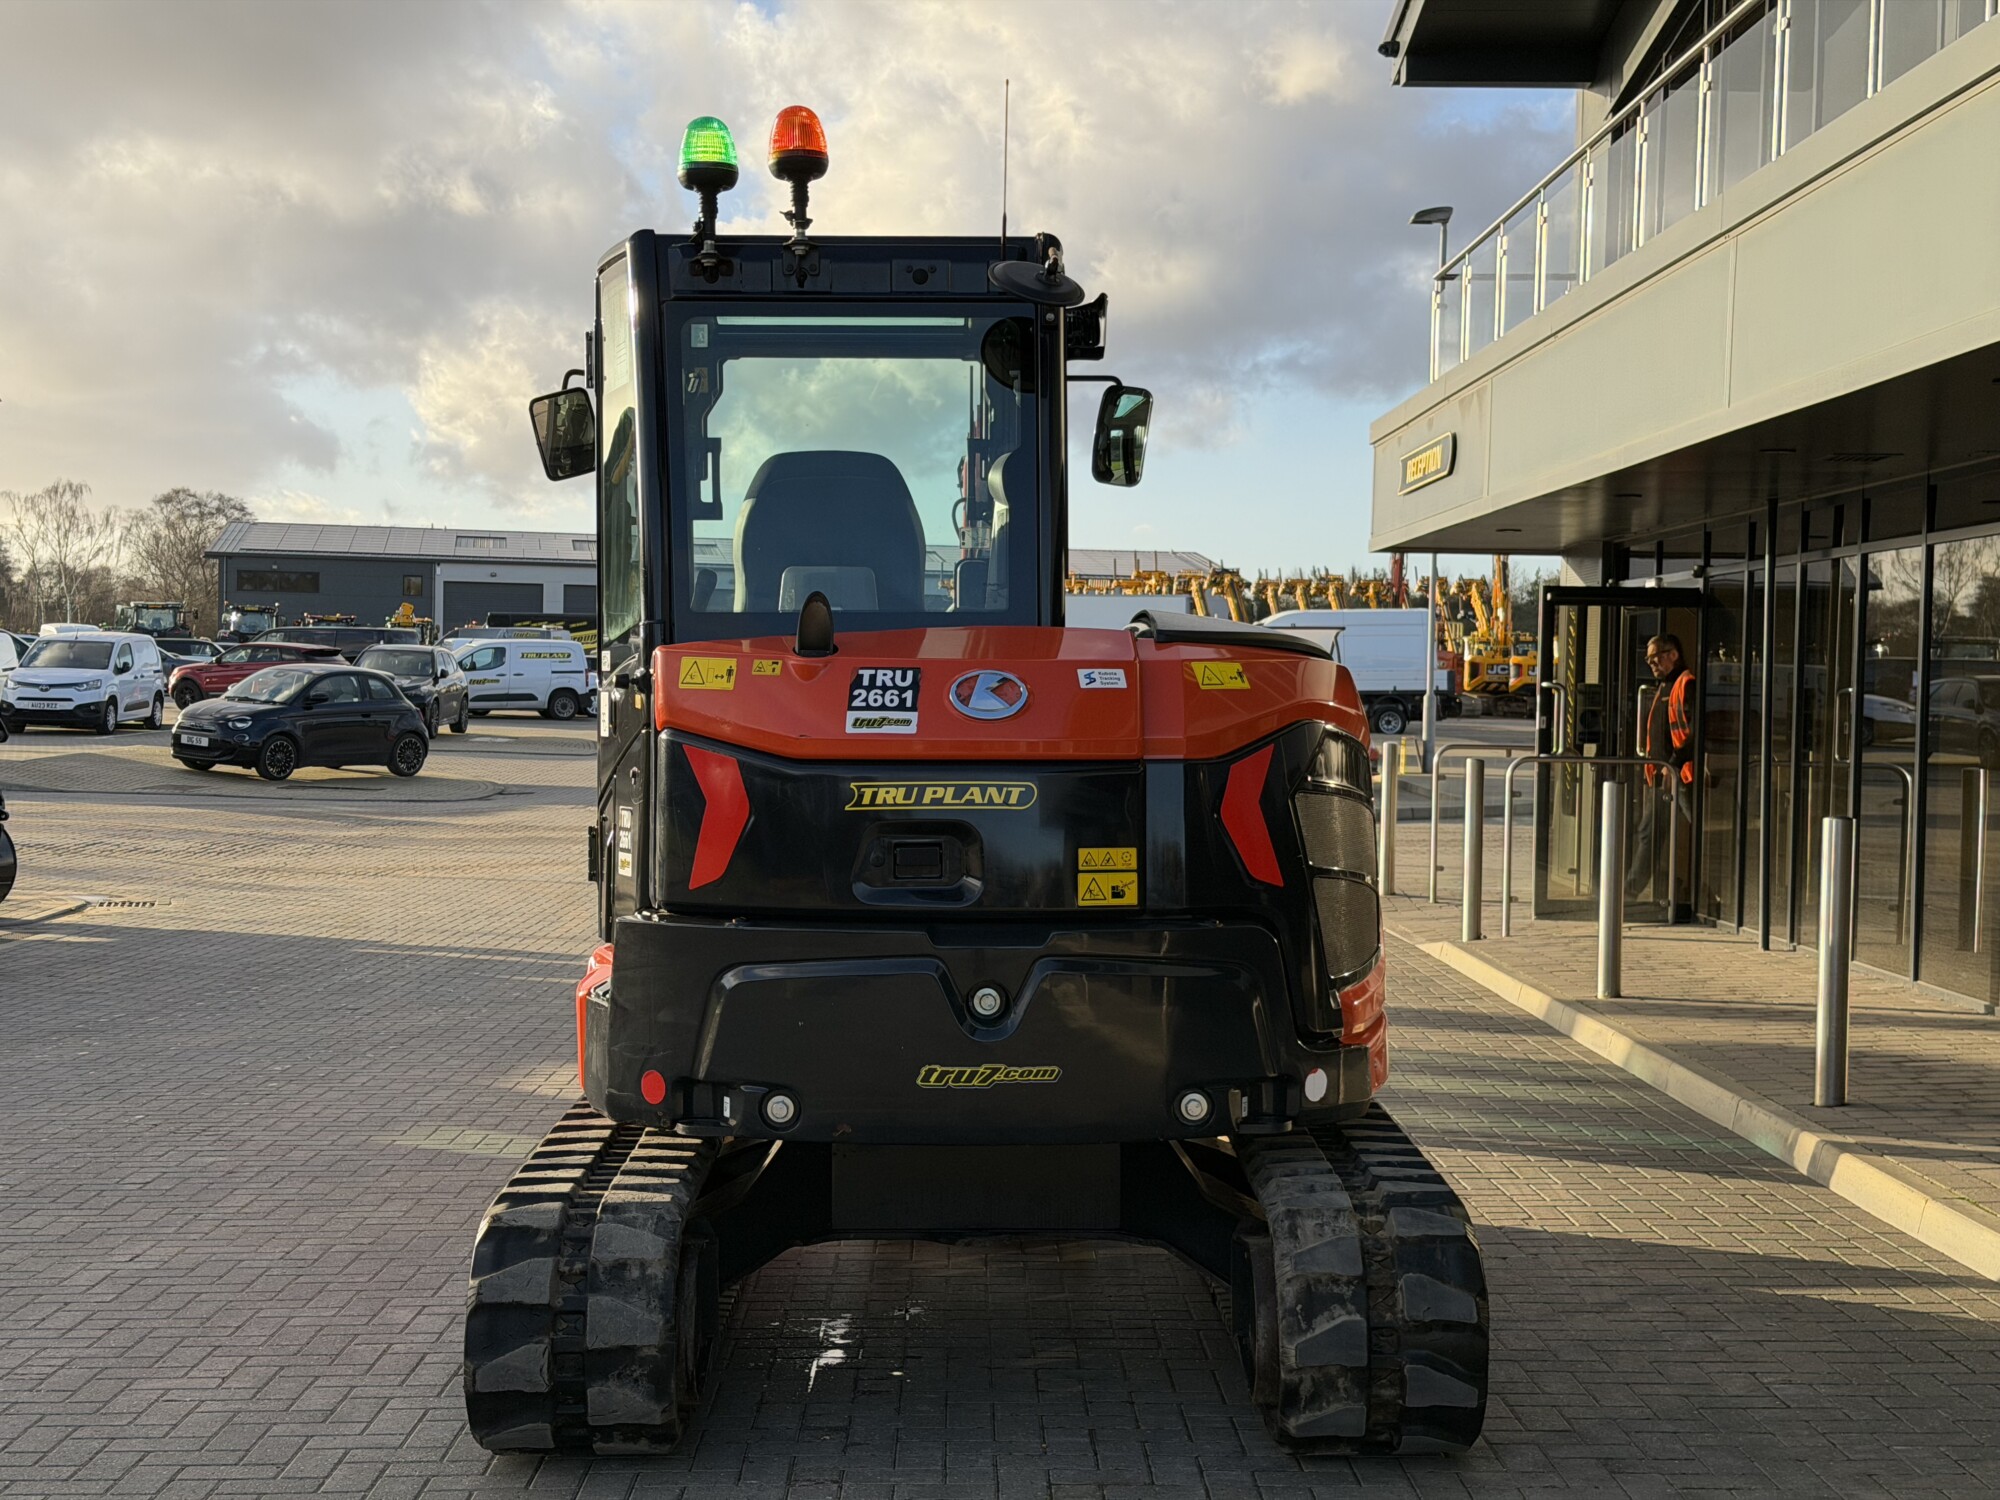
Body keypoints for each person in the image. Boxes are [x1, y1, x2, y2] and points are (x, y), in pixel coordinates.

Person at [1627, 633, 1695, 914]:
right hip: (1662, 775)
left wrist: (1675, 765)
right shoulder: (1665, 686)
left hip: (1680, 775)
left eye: (1656, 657)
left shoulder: (1685, 683)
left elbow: (1694, 731)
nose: (1651, 663)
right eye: (1648, 659)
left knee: (1697, 830)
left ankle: (1707, 893)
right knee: (1648, 834)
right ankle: (1630, 892)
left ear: (1673, 654)